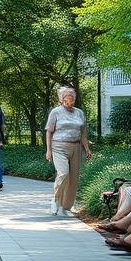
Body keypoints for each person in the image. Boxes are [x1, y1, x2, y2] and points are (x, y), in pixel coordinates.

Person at [44, 86, 92, 216]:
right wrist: (48, 150)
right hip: (58, 146)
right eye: (66, 99)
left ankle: (66, 206)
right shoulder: (56, 112)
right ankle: (55, 200)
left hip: (76, 147)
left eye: (71, 99)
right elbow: (49, 131)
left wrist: (87, 149)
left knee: (73, 179)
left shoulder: (79, 113)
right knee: (63, 173)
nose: (69, 102)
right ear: (62, 99)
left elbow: (83, 133)